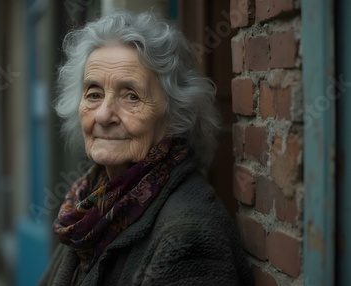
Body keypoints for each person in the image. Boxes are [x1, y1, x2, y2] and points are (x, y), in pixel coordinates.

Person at [39, 11, 254, 286]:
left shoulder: (189, 238)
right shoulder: (92, 206)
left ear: (175, 115)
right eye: (93, 94)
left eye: (131, 96)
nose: (104, 115)